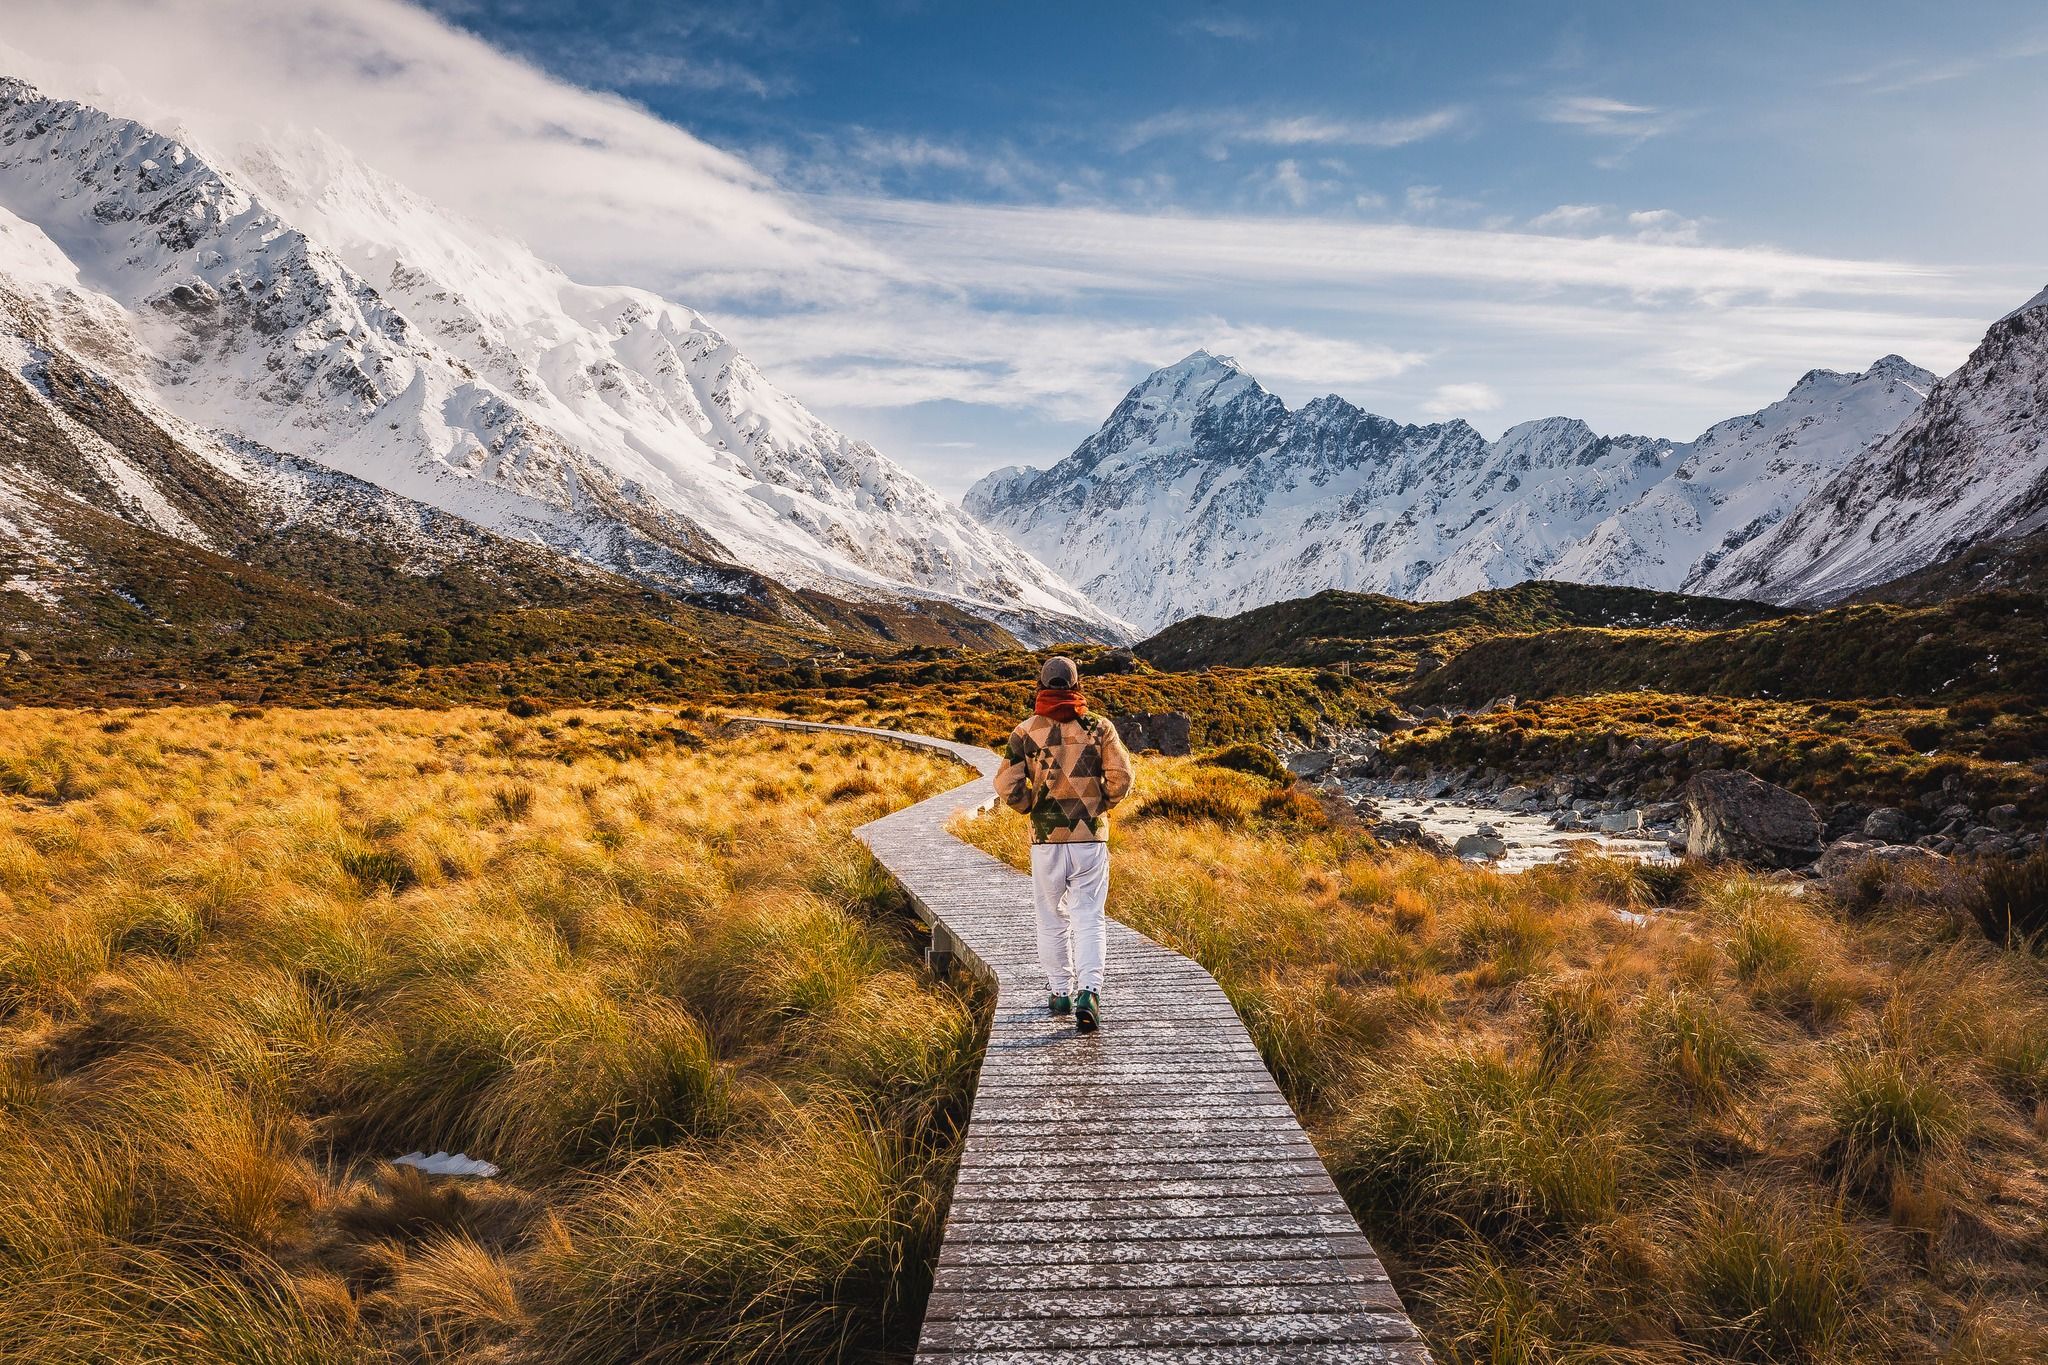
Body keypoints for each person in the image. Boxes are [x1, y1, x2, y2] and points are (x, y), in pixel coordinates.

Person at [993, 655, 1134, 1032]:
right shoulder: (1099, 727)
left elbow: (1007, 785)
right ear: (1076, 684)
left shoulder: (1025, 732)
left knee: (1050, 916)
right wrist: (1101, 805)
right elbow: (1121, 776)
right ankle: (1089, 992)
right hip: (1090, 838)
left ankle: (1060, 992)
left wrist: (1030, 808)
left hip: (1045, 841)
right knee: (1089, 916)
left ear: (1041, 685)